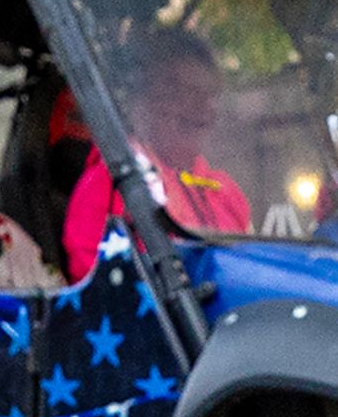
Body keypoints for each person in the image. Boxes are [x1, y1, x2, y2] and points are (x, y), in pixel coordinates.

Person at [63, 33, 251, 278]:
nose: (203, 110)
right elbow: (94, 282)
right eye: (182, 92)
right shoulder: (109, 184)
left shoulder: (226, 192)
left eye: (209, 95)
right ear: (141, 100)